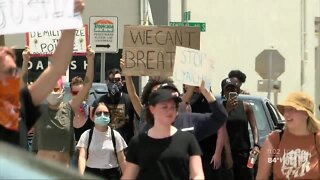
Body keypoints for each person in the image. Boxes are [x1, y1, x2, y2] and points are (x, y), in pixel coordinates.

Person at [0, 0, 85, 148]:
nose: (14, 76)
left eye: (14, 70)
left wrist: (70, 24)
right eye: (8, 72)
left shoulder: (21, 103)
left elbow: (57, 67)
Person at [120, 59, 227, 141]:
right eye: (156, 95)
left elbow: (219, 117)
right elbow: (133, 96)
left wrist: (200, 85)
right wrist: (127, 75)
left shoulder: (186, 127)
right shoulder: (144, 118)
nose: (164, 100)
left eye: (167, 97)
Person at [31, 46, 94, 166]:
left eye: (56, 89)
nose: (53, 92)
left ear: (62, 91)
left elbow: (87, 85)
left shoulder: (69, 108)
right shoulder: (39, 110)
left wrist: (90, 60)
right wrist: (25, 62)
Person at [121, 88, 204, 180]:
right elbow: (128, 176)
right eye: (164, 107)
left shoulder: (188, 139)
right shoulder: (138, 142)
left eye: (173, 107)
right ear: (152, 109)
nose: (170, 111)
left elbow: (198, 174)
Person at [256, 92, 320, 179]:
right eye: (285, 110)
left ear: (306, 114)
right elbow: (261, 177)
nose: (286, 114)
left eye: (292, 109)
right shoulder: (275, 139)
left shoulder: (317, 138)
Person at [221, 77, 260, 180]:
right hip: (227, 155)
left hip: (245, 154)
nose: (231, 91)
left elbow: (254, 127)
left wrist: (256, 145)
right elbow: (220, 127)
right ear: (223, 93)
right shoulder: (220, 108)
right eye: (228, 89)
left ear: (237, 91)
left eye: (233, 89)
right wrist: (227, 110)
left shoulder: (246, 106)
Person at [77, 102, 127, 179]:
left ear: (110, 117)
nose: (102, 115)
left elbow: (122, 160)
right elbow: (82, 157)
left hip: (111, 174)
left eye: (106, 113)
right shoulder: (86, 135)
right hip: (91, 174)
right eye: (99, 113)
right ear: (93, 117)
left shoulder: (116, 135)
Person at [188, 85, 225, 180]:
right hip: (194, 147)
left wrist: (217, 153)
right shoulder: (189, 102)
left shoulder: (212, 103)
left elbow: (221, 130)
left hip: (210, 149)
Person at [92, 68, 136, 144]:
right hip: (105, 147)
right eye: (111, 80)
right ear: (106, 82)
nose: (115, 83)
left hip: (125, 148)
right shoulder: (99, 102)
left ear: (122, 82)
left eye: (118, 80)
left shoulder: (130, 100)